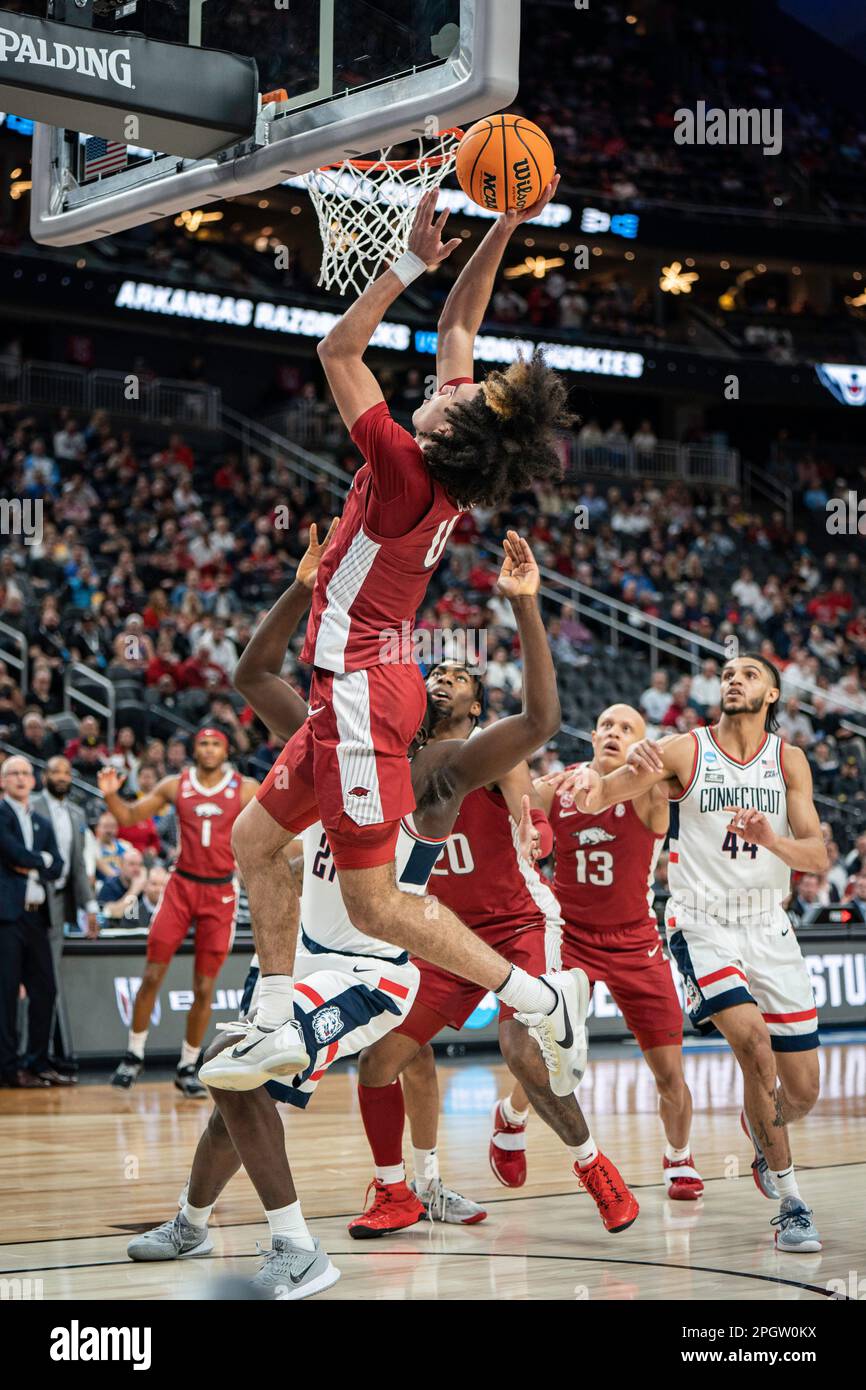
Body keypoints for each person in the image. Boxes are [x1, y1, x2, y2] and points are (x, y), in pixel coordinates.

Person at [127, 529, 590, 1296]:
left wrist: (527, 608)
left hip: (369, 972)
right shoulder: (332, 736)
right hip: (294, 955)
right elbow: (252, 673)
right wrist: (305, 586)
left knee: (237, 1072)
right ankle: (192, 1220)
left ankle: (298, 1248)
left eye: (455, 679)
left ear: (468, 710)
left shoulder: (442, 775)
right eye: (430, 668)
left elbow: (539, 725)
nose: (440, 678)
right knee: (229, 1091)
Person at [204, 182, 588, 1100]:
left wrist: (408, 262)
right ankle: (271, 1014)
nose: (444, 388)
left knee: (377, 903)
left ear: (451, 432)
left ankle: (539, 999)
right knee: (255, 841)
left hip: (367, 694)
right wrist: (503, 226)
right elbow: (460, 329)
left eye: (456, 397)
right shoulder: (447, 450)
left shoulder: (408, 468)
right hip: (355, 685)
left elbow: (337, 347)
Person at [566, 654, 827, 1254]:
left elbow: (815, 858)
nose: (734, 679)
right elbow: (601, 796)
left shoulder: (790, 761)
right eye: (728, 673)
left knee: (803, 1091)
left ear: (773, 694)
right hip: (702, 922)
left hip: (770, 926)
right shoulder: (684, 750)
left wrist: (772, 840)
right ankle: (790, 1199)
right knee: (752, 1044)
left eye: (749, 674)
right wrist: (600, 780)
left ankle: (762, 1127)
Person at [494, 703, 701, 1200]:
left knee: (670, 1069)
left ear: (642, 742)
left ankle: (679, 1157)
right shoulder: (556, 787)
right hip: (570, 937)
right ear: (591, 735)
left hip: (635, 940)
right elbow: (505, 802)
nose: (614, 732)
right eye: (606, 724)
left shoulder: (653, 789)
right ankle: (512, 1114)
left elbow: (690, 764)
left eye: (627, 728)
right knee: (548, 1053)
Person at [97, 732, 259, 1098]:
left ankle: (188, 1065)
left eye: (215, 744)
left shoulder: (245, 788)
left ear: (226, 750)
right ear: (194, 751)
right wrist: (110, 793)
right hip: (181, 887)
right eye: (203, 744)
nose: (209, 750)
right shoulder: (176, 784)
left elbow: (276, 823)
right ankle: (133, 1055)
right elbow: (128, 816)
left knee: (204, 987)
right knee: (152, 973)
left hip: (220, 892)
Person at [32, 756, 99, 1077]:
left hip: (59, 904)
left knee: (48, 982)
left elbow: (77, 868)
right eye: (55, 771)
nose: (61, 776)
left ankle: (44, 1054)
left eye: (66, 772)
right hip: (28, 900)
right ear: (44, 775)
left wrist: (90, 908)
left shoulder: (76, 812)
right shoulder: (30, 805)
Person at [0, 756, 64, 1088]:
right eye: (14, 774)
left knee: (46, 989)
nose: (22, 778)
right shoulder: (1, 814)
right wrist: (41, 861)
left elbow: (59, 866)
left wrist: (35, 863)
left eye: (26, 773)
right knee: (6, 993)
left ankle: (38, 1062)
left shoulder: (41, 820)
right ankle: (8, 1068)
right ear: (3, 781)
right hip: (7, 917)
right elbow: (13, 853)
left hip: (37, 917)